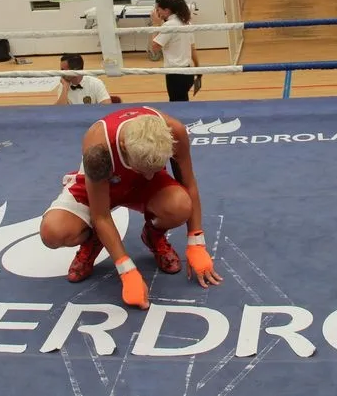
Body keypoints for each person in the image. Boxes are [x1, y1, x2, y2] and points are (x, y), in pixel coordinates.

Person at [39, 107, 222, 309]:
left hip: (143, 187)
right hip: (100, 185)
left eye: (155, 169)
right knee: (53, 233)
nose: (150, 175)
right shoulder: (98, 146)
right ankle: (94, 240)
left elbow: (188, 184)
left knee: (180, 205)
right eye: (144, 169)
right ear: (124, 147)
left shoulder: (174, 131)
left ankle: (153, 236)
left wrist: (196, 242)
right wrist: (127, 271)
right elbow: (101, 215)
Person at [148, 0, 201, 101]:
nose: (156, 13)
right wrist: (198, 70)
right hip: (188, 73)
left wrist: (155, 25)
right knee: (182, 103)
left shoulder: (169, 26)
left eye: (158, 10)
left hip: (176, 75)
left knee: (177, 105)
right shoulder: (186, 23)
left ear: (166, 10)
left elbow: (154, 48)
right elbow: (192, 49)